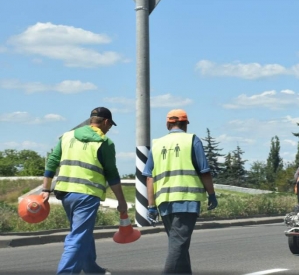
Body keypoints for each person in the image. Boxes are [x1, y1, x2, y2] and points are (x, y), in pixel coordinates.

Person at [40, 107, 128, 275]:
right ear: (106, 122)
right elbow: (112, 174)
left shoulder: (67, 136)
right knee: (78, 236)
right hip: (87, 194)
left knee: (82, 232)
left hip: (65, 193)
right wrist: (121, 201)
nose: (109, 129)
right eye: (110, 126)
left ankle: (93, 270)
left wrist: (46, 188)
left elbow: (52, 161)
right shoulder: (105, 142)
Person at [143, 109, 218, 275]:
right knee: (178, 244)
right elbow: (204, 171)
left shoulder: (157, 144)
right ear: (185, 125)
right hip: (186, 200)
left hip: (163, 202)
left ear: (168, 124)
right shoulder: (192, 140)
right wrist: (211, 194)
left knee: (178, 243)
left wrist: (151, 206)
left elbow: (149, 178)